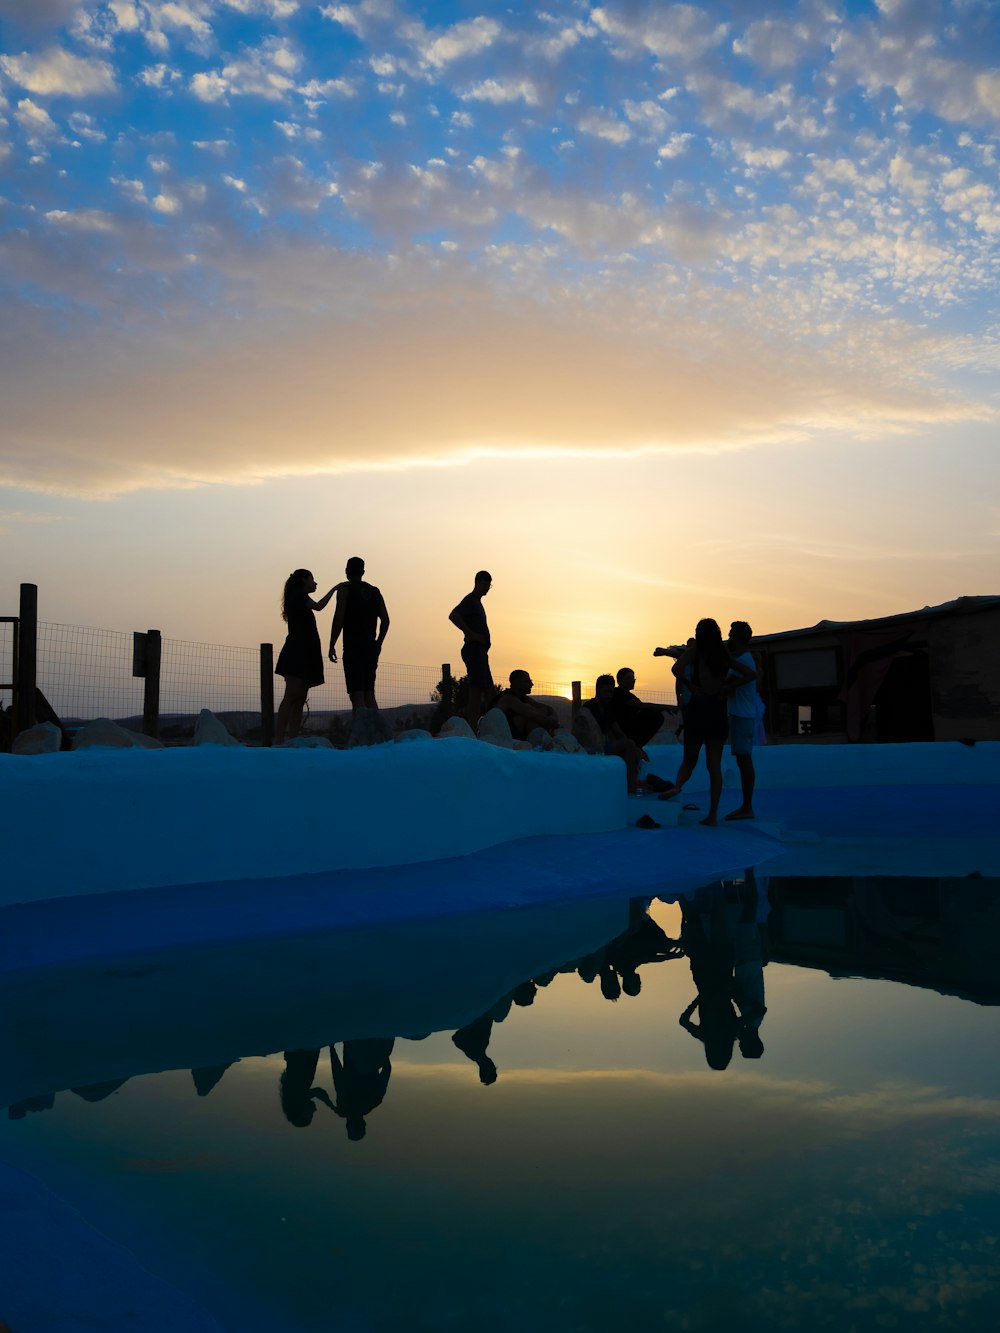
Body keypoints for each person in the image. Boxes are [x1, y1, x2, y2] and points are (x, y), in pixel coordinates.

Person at [659, 619, 755, 825]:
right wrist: (727, 687)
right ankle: (712, 815)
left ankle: (677, 786)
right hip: (717, 709)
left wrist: (690, 685)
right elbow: (751, 674)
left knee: (689, 760)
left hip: (698, 707)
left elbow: (676, 669)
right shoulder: (723, 654)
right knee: (714, 766)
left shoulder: (695, 652)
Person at [274, 568, 338, 744]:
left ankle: (291, 738)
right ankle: (279, 739)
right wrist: (334, 589)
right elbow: (319, 606)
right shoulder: (299, 598)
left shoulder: (296, 599)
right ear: (304, 580)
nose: (315, 583)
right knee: (291, 696)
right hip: (298, 653)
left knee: (300, 697)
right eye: (312, 579)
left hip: (305, 653)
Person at [328, 556, 390, 711]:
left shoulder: (345, 590)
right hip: (371, 648)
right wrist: (378, 643)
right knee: (369, 694)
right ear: (363, 571)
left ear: (346, 571)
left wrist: (332, 644)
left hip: (353, 648)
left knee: (357, 696)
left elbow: (339, 618)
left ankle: (361, 733)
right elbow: (386, 620)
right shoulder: (375, 592)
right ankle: (378, 734)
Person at [575, 674, 644, 793]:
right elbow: (585, 736)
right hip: (590, 749)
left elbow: (617, 731)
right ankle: (631, 789)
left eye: (611, 692)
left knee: (630, 746)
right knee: (629, 745)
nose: (609, 696)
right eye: (605, 692)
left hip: (603, 745)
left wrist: (637, 749)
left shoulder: (606, 708)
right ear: (597, 690)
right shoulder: (589, 708)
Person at [449, 570, 493, 727]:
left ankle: (487, 727)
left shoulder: (477, 603)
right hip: (474, 650)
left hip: (480, 651)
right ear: (477, 582)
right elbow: (453, 615)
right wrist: (471, 634)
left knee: (487, 690)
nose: (487, 587)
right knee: (478, 690)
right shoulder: (470, 600)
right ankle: (474, 728)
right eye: (485, 584)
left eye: (489, 585)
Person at [725, 621, 758, 821]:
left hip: (741, 716)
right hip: (742, 716)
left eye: (730, 634)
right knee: (743, 761)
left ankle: (747, 807)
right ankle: (746, 806)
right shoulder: (744, 659)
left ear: (736, 637)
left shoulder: (743, 661)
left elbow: (727, 688)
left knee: (744, 762)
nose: (728, 637)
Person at [612, 667, 674, 747]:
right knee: (655, 715)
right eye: (629, 678)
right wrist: (666, 707)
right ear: (620, 681)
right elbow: (641, 705)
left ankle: (637, 746)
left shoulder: (630, 695)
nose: (633, 680)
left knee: (654, 714)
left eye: (633, 678)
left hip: (629, 727)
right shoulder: (618, 693)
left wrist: (661, 708)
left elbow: (643, 706)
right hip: (621, 729)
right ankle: (636, 746)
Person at [495, 669, 560, 742]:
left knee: (542, 711)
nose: (532, 684)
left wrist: (552, 717)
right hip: (507, 738)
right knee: (532, 719)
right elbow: (530, 713)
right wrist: (550, 721)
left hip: (518, 736)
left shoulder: (523, 698)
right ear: (517, 683)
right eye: (527, 681)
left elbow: (548, 708)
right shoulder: (508, 698)